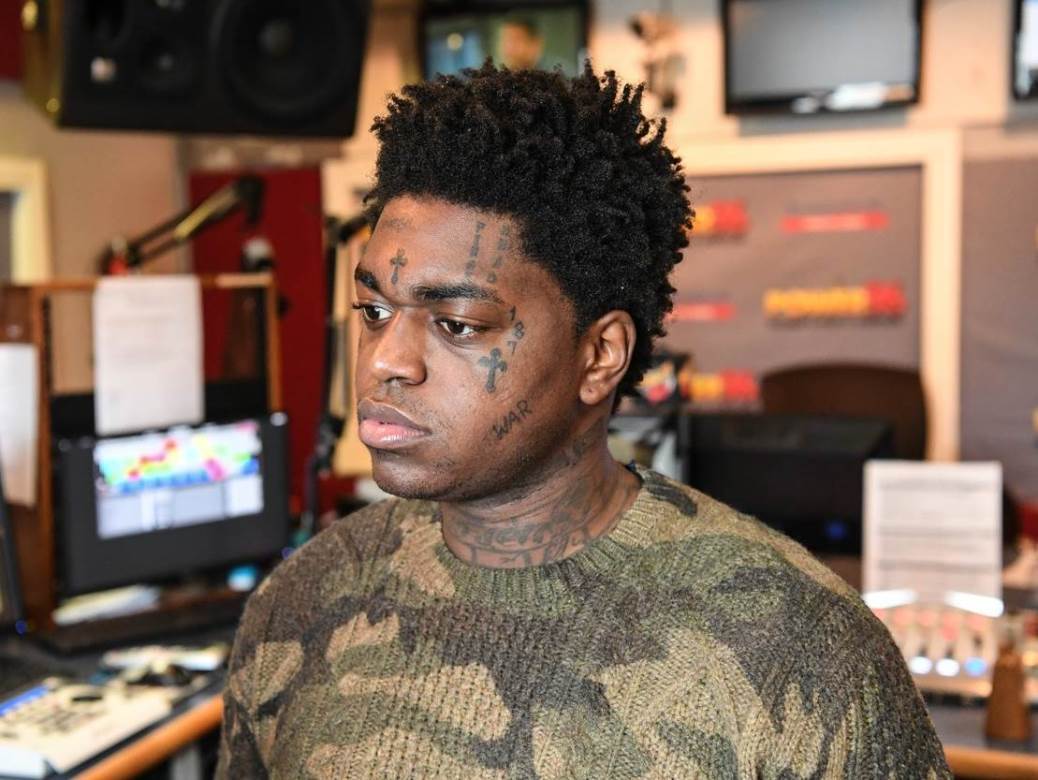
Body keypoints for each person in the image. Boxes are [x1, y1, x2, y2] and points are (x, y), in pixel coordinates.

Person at [217, 64, 950, 778]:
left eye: (458, 324)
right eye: (374, 310)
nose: (385, 361)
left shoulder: (803, 654)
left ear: (600, 357)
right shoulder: (300, 602)